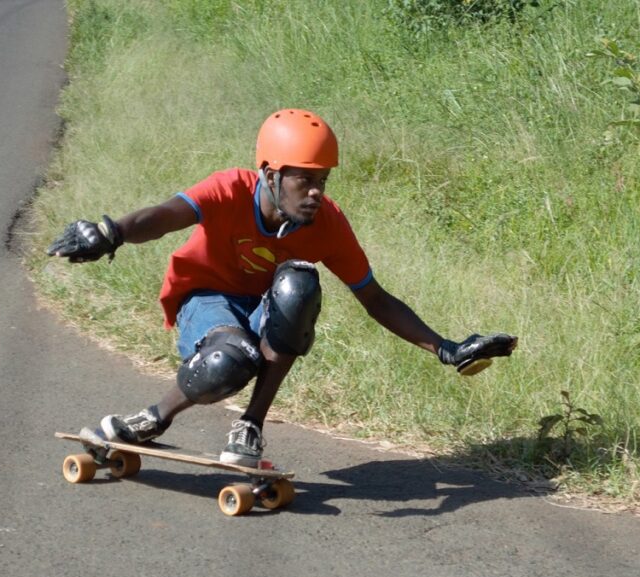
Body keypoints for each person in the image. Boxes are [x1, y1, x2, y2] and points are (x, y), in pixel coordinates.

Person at [46, 108, 517, 468]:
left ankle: (249, 425)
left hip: (265, 308)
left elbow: (374, 298)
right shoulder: (229, 189)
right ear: (270, 174)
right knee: (229, 359)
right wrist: (112, 231)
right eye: (305, 180)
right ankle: (152, 418)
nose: (316, 193)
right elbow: (165, 216)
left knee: (298, 286)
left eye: (323, 181)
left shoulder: (327, 225)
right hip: (207, 301)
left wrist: (446, 348)